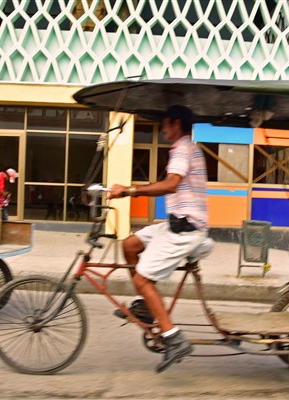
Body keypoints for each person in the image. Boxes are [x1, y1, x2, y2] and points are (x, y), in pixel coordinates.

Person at [108, 105, 208, 373]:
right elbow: (170, 184)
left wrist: (129, 191)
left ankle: (173, 338)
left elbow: (170, 184)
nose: (162, 129)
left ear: (176, 123)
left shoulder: (183, 148)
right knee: (129, 244)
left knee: (142, 278)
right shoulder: (183, 148)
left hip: (186, 228)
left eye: (165, 124)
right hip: (176, 224)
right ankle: (146, 306)